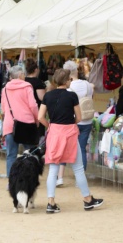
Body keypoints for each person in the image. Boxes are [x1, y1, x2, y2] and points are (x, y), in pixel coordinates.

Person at [38, 69, 103, 214]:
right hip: (69, 134)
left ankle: (51, 202)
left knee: (53, 169)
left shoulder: (48, 96)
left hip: (54, 134)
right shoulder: (72, 95)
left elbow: (40, 117)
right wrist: (69, 122)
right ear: (67, 81)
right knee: (78, 168)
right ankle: (87, 199)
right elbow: (79, 118)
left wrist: (50, 126)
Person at [1, 65, 39, 177]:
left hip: (10, 125)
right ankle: (30, 178)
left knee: (11, 155)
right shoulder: (27, 87)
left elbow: (3, 108)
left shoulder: (5, 89)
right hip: (26, 123)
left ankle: (11, 181)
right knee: (30, 154)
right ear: (20, 75)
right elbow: (33, 105)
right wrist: (36, 119)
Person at [67, 60, 94, 170]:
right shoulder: (88, 85)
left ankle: (66, 174)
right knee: (82, 148)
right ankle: (81, 173)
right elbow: (91, 98)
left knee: (71, 148)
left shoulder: (69, 87)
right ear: (77, 71)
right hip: (87, 119)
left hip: (74, 120)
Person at [24, 57, 47, 136]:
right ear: (36, 69)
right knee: (38, 136)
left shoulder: (23, 80)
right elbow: (42, 97)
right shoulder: (37, 82)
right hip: (36, 110)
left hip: (25, 110)